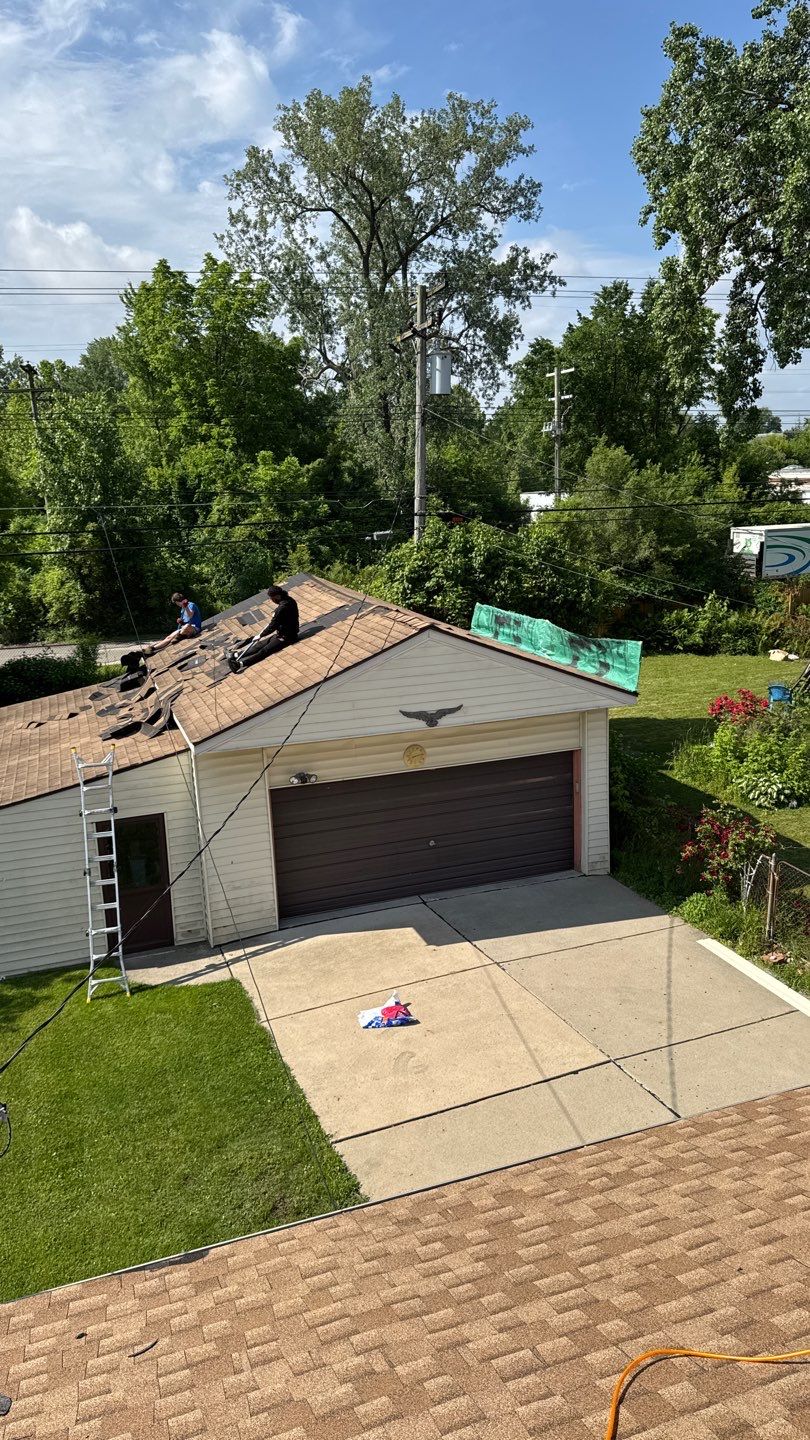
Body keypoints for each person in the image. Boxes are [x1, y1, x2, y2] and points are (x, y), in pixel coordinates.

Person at [227, 585, 299, 673]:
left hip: (287, 637)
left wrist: (261, 635)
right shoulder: (289, 600)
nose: (271, 600)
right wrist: (276, 614)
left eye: (271, 598)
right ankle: (235, 655)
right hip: (282, 633)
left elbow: (272, 626)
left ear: (277, 596)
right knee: (260, 644)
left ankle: (240, 664)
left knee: (264, 651)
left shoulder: (281, 608)